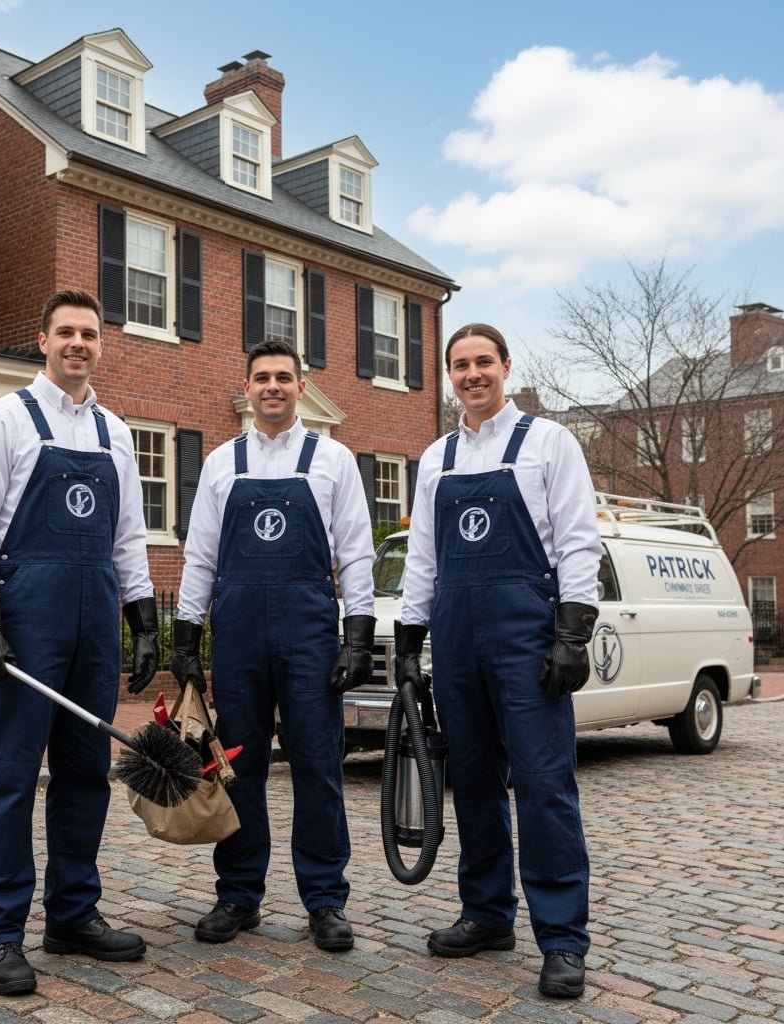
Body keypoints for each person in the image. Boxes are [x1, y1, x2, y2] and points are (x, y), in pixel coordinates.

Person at [0, 289, 160, 996]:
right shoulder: (4, 419)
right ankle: (0, 932)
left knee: (84, 773)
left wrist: (143, 620)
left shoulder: (116, 433)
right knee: (8, 776)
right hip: (27, 617)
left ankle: (72, 914)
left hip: (94, 618)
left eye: (89, 334)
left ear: (101, 344)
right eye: (65, 332)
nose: (78, 343)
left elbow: (128, 536)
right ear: (43, 341)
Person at [397, 322, 601, 999]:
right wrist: (409, 641)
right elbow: (423, 556)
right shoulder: (438, 457)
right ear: (449, 375)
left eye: (484, 361)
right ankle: (486, 913)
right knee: (475, 781)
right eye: (460, 365)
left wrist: (573, 633)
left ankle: (562, 938)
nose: (472, 374)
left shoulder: (549, 442)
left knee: (544, 784)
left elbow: (578, 540)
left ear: (506, 366)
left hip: (526, 636)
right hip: (456, 637)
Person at [170, 338, 376, 953]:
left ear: (300, 387)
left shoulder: (332, 460)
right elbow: (200, 556)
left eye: (284, 377)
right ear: (248, 386)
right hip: (238, 637)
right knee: (239, 766)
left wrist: (358, 634)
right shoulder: (221, 462)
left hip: (309, 634)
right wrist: (186, 635)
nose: (272, 387)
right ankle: (238, 894)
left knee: (318, 765)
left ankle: (325, 899)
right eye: (262, 377)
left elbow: (356, 553)